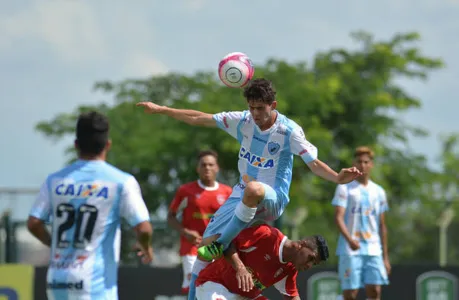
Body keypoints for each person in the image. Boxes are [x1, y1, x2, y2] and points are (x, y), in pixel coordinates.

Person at [137, 78, 361, 299]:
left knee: (251, 192)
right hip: (242, 194)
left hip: (273, 198)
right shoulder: (243, 121)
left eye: (260, 108)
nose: (255, 113)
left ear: (273, 105)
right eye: (251, 107)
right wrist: (162, 109)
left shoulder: (288, 131)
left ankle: (224, 242)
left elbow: (314, 164)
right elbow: (199, 118)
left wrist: (337, 178)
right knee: (205, 246)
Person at [27, 111, 153, 300]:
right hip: (95, 284)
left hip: (57, 281)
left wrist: (53, 244)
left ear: (76, 145)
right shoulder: (120, 182)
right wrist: (145, 245)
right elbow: (144, 229)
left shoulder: (55, 180)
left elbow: (34, 222)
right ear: (108, 144)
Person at [195, 222, 329, 300]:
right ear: (302, 244)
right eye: (310, 258)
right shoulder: (267, 235)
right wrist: (240, 268)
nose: (309, 265)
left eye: (314, 263)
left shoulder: (290, 268)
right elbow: (228, 243)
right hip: (215, 284)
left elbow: (291, 297)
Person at [168, 150, 232, 294]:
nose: (207, 168)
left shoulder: (227, 192)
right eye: (203, 165)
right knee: (196, 285)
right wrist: (185, 232)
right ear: (198, 168)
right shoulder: (186, 191)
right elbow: (171, 217)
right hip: (192, 247)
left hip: (216, 247)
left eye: (211, 165)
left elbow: (232, 220)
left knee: (214, 287)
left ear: (217, 168)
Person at [332, 146, 390, 300]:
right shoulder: (344, 188)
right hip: (350, 249)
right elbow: (338, 217)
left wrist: (385, 257)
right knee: (351, 293)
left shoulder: (379, 191)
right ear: (354, 163)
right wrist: (349, 240)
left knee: (375, 291)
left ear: (371, 164)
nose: (362, 165)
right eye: (359, 161)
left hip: (373, 249)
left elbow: (382, 225)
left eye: (366, 162)